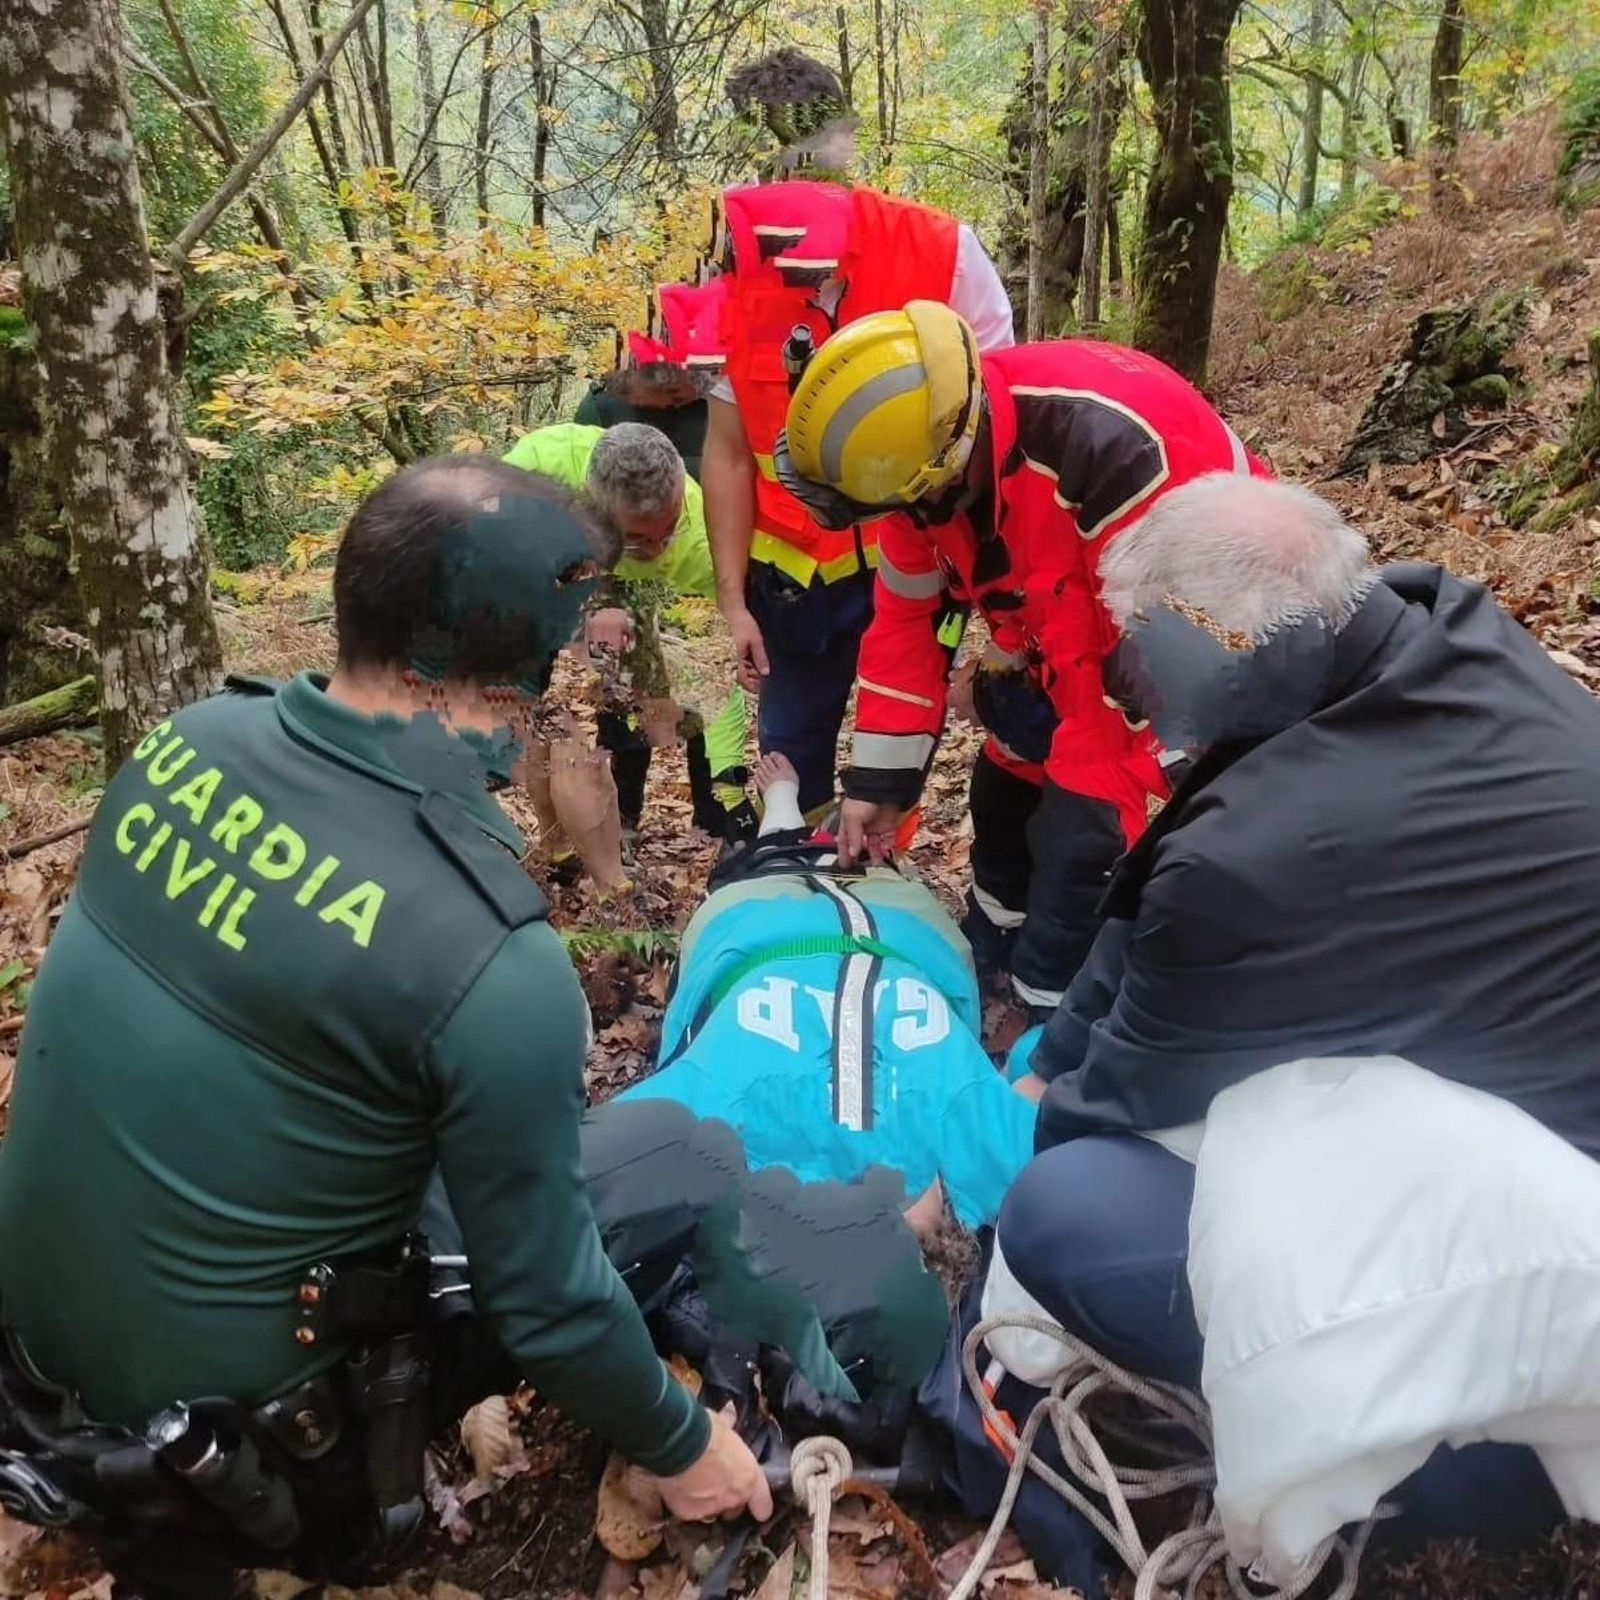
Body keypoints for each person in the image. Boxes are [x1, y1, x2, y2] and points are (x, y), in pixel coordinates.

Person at [0, 459, 772, 1592]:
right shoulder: (491, 957)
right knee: (681, 1152)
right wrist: (683, 1441)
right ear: (529, 675)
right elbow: (547, 1302)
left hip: (37, 1358)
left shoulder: (190, 740)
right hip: (260, 1455)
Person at [914, 474, 1600, 1595]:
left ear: (1218, 642)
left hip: (1567, 1242)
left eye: (1144, 647)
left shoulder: (1268, 857)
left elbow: (1106, 1106)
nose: (1133, 681)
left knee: (1065, 1213)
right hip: (1532, 1082)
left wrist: (1025, 1122)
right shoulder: (1432, 626)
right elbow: (1160, 895)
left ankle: (1455, 1470)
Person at [773, 301, 1267, 1012]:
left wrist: (1092, 790)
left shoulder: (1117, 451)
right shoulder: (933, 465)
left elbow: (1143, 677)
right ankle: (992, 947)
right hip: (1054, 640)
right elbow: (907, 626)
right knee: (1002, 799)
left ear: (936, 474)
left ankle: (1049, 1014)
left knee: (1083, 842)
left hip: (1188, 651)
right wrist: (879, 786)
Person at [699, 49, 1016, 820]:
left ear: (842, 147)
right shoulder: (729, 276)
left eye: (808, 156)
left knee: (895, 749)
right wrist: (732, 599)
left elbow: (1001, 432)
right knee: (789, 754)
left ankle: (874, 875)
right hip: (789, 580)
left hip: (915, 558)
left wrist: (1002, 598)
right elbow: (728, 449)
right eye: (775, 162)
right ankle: (792, 873)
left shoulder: (942, 251)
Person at [617, 752, 1038, 1235]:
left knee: (788, 861)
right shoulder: (715, 1121)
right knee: (856, 870)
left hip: (830, 931)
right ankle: (811, 826)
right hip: (866, 934)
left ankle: (788, 814)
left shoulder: (983, 1147)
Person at [503, 420, 752, 845]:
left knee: (648, 690)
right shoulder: (536, 469)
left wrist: (730, 784)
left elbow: (720, 676)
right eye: (640, 538)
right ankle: (560, 840)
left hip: (655, 595)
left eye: (666, 530)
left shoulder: (699, 545)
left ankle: (693, 818)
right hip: (549, 575)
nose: (658, 546)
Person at [574, 280, 730, 481]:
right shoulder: (601, 411)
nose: (668, 406)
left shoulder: (725, 398)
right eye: (668, 398)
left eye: (677, 397)